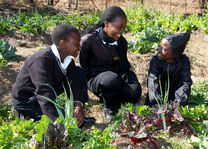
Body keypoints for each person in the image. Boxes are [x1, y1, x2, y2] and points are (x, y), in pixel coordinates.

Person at [12, 24, 88, 126]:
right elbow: (44, 93)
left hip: (49, 91)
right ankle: (24, 114)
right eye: (76, 43)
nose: (79, 47)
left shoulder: (67, 61)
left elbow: (74, 83)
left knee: (78, 73)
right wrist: (59, 122)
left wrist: (78, 106)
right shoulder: (40, 60)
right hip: (27, 99)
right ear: (62, 44)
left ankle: (61, 114)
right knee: (67, 119)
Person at [79, 6, 142, 121]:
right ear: (106, 24)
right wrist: (82, 95)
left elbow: (124, 65)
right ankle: (109, 107)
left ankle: (111, 95)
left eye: (124, 28)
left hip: (117, 77)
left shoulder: (121, 42)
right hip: (97, 79)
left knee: (134, 93)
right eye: (119, 27)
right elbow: (83, 68)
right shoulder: (88, 41)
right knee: (110, 80)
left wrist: (126, 77)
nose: (122, 32)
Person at [145, 32, 192, 107]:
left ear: (174, 52)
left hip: (175, 97)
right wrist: (156, 101)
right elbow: (153, 81)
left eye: (164, 49)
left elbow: (185, 82)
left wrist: (178, 102)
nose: (159, 50)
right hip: (157, 97)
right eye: (159, 47)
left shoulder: (184, 61)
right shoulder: (155, 61)